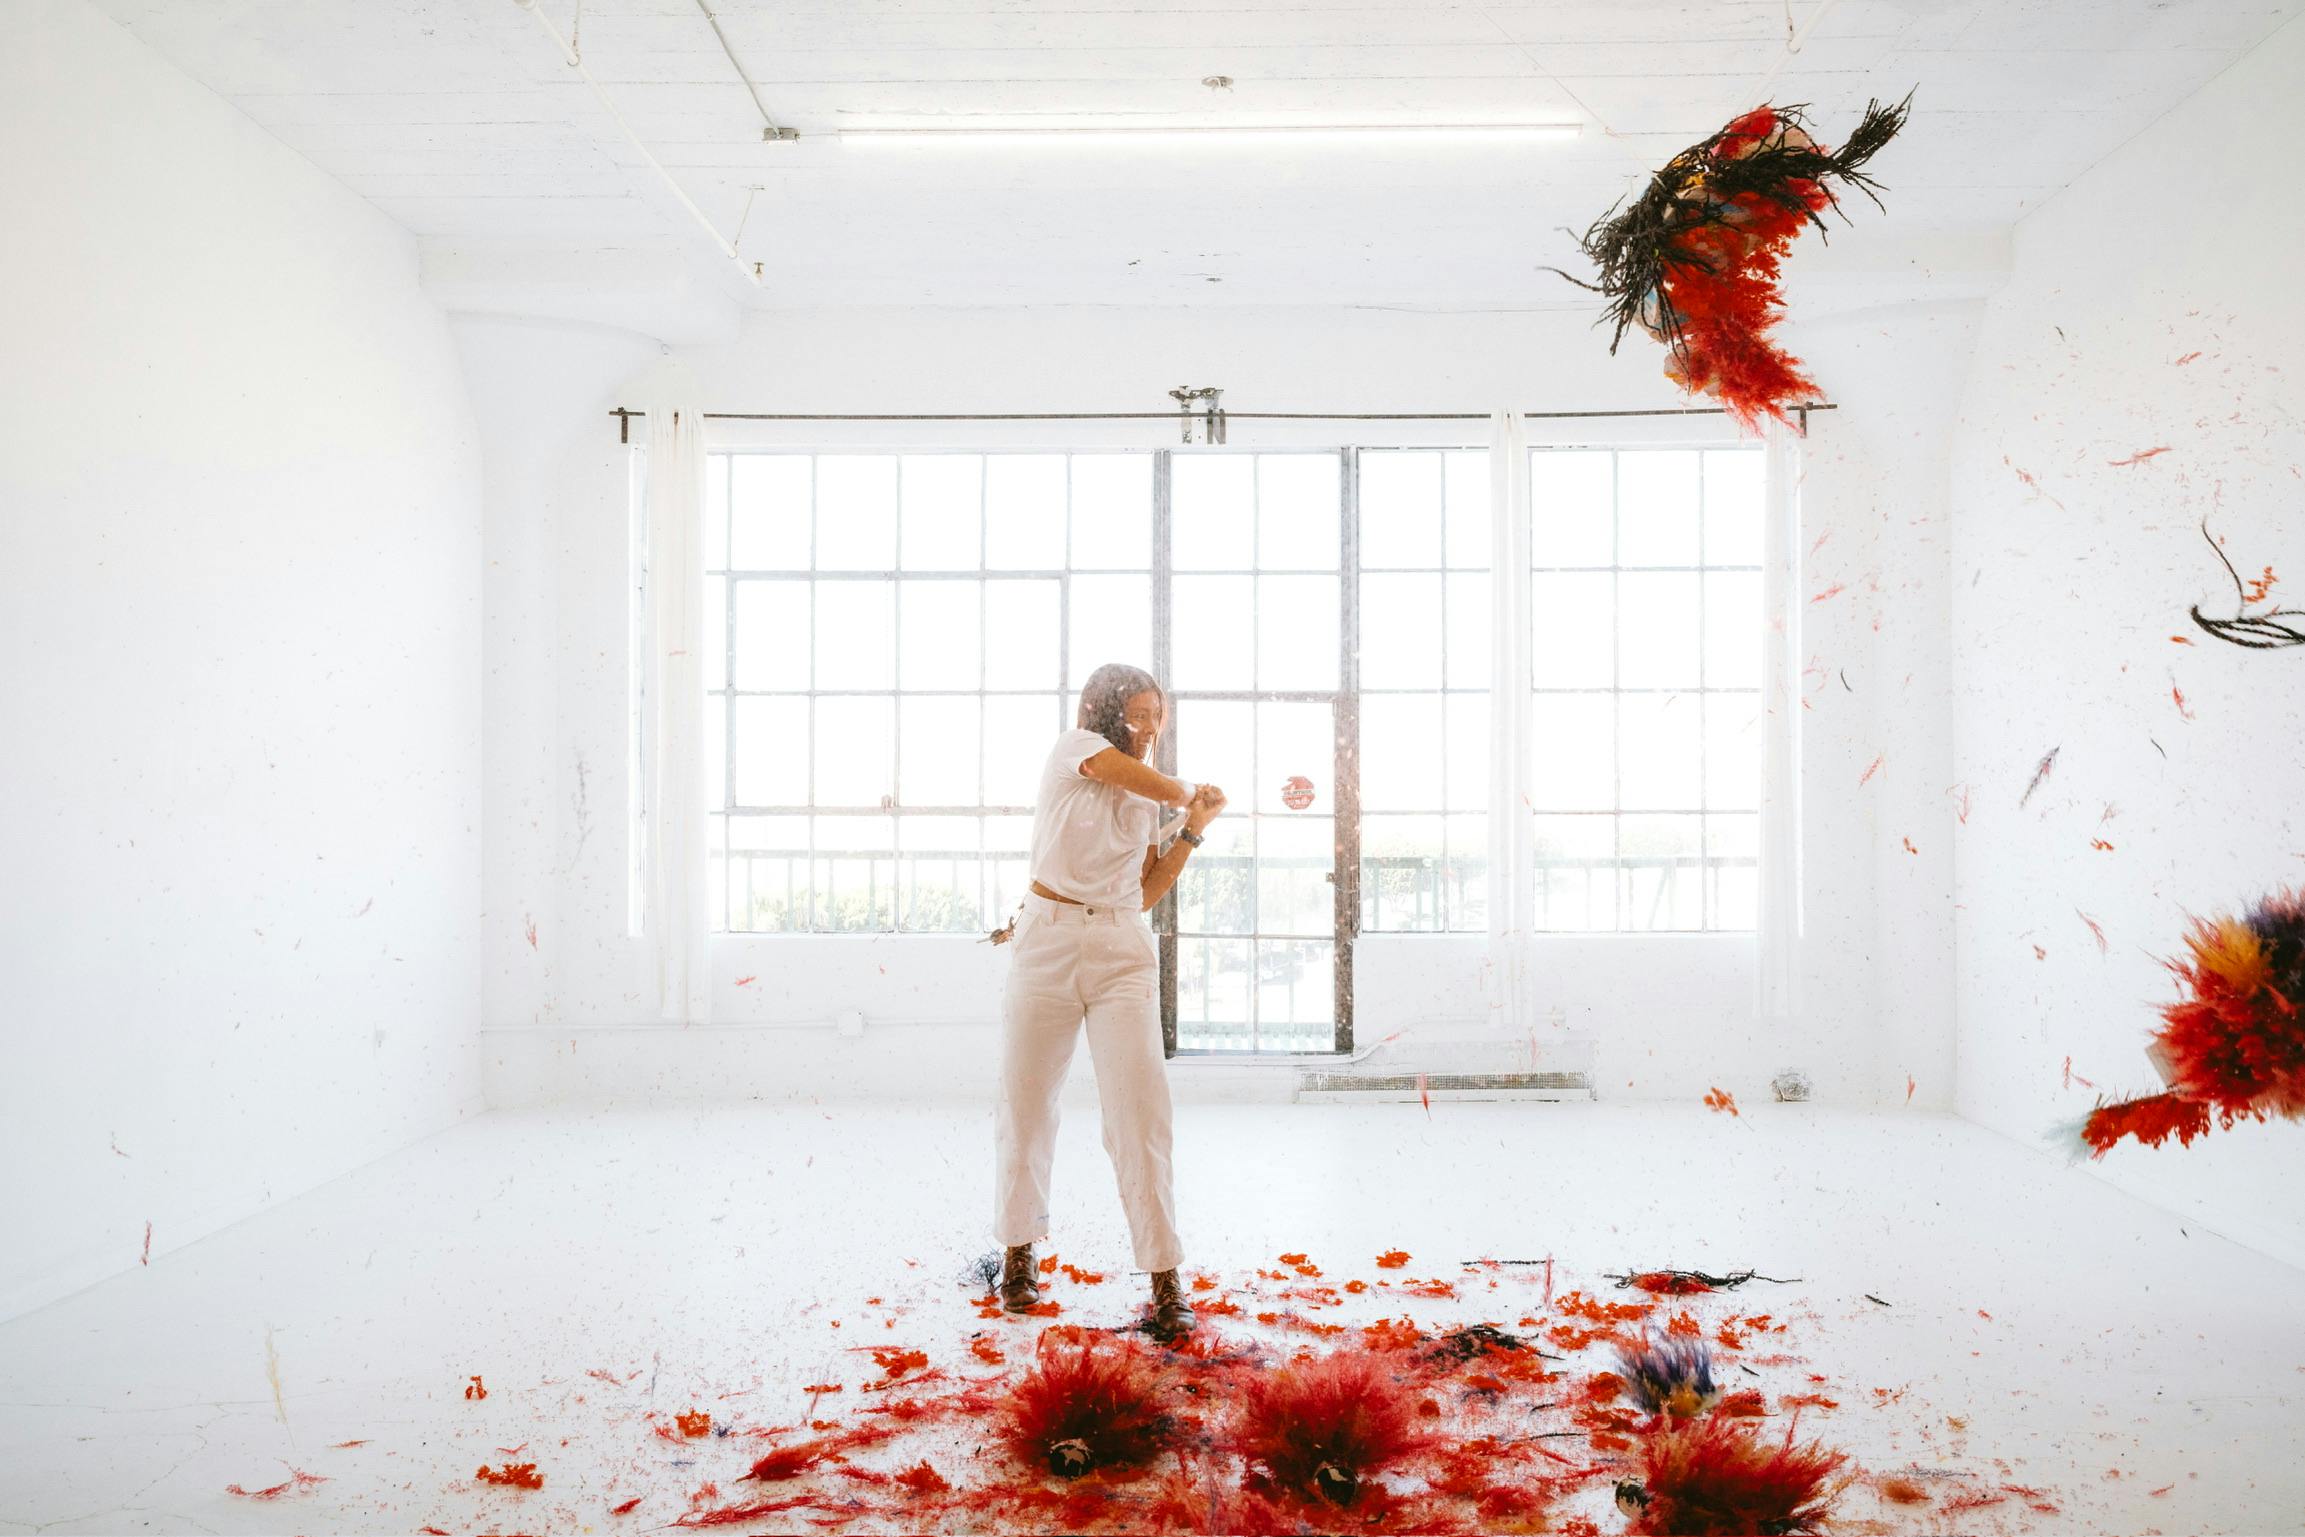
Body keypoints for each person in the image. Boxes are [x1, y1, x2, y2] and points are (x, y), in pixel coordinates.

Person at [989, 662, 1227, 1340]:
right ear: (1104, 711)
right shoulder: (1076, 751)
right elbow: (1120, 772)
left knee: (1139, 1111)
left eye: (1160, 715)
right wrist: (1188, 793)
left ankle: (1164, 1274)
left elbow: (1146, 889)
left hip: (1121, 948)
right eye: (1140, 714)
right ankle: (1018, 1250)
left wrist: (1191, 828)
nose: (1152, 728)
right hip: (1047, 942)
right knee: (1027, 1102)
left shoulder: (1150, 798)